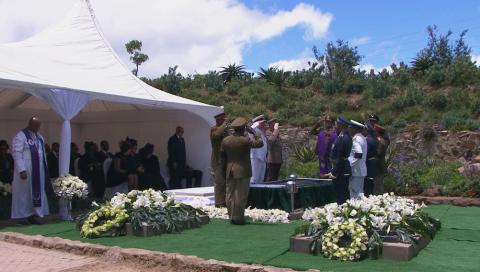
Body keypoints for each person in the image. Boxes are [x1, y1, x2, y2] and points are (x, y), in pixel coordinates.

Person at [220, 117, 264, 225]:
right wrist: (254, 132)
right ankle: (239, 218)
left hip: (229, 170)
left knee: (229, 194)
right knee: (240, 195)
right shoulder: (245, 140)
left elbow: (222, 158)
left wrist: (223, 171)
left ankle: (231, 216)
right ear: (243, 128)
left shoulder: (225, 140)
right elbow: (260, 143)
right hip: (243, 170)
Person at [11, 117, 53, 224]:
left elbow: (42, 154)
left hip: (38, 170)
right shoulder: (21, 136)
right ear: (30, 124)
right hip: (26, 168)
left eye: (38, 126)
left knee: (35, 192)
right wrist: (21, 169)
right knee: (24, 193)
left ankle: (33, 214)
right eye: (35, 125)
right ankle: (20, 216)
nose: (37, 128)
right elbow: (16, 153)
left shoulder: (39, 137)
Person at [327, 116, 352, 205]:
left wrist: (334, 172)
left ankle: (344, 213)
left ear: (341, 125)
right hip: (342, 167)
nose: (336, 125)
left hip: (341, 169)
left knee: (341, 194)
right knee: (343, 192)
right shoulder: (345, 136)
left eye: (337, 124)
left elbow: (340, 157)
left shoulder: (342, 138)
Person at [210, 112, 230, 207]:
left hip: (225, 159)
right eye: (223, 119)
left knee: (225, 182)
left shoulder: (224, 130)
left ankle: (224, 201)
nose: (224, 121)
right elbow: (217, 135)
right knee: (219, 182)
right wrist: (224, 125)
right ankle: (218, 202)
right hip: (218, 160)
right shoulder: (214, 129)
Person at [348, 120, 367, 199]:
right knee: (359, 192)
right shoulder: (362, 138)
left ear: (354, 129)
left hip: (356, 170)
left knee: (355, 193)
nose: (349, 130)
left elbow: (359, 153)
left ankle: (356, 210)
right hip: (360, 170)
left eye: (351, 128)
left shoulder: (356, 139)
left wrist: (351, 165)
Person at [249, 115, 268, 184]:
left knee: (261, 179)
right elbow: (250, 129)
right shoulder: (253, 131)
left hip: (262, 158)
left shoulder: (261, 132)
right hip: (255, 158)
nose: (264, 124)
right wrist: (256, 124)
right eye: (262, 123)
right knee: (254, 178)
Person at [364, 124, 379, 197]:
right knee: (371, 182)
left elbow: (367, 153)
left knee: (367, 184)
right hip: (373, 162)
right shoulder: (374, 139)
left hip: (368, 163)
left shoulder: (367, 140)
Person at [374, 124, 390, 195]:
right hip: (381, 165)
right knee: (379, 184)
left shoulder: (380, 141)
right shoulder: (384, 140)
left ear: (377, 132)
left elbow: (378, 153)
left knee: (378, 185)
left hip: (378, 165)